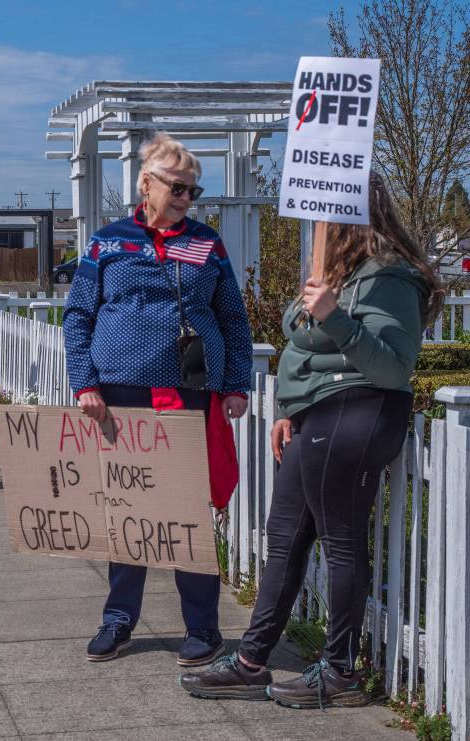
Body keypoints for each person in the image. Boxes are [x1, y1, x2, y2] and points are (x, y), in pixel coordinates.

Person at [180, 171, 443, 708]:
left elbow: (393, 369)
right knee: (285, 535)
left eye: (325, 212)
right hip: (319, 415)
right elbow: (299, 348)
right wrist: (288, 407)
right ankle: (253, 660)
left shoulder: (388, 276)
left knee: (341, 540)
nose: (315, 222)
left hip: (360, 409)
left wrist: (334, 316)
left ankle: (341, 672)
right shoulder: (336, 272)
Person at [63, 132, 253, 666]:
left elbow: (233, 319)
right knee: (128, 506)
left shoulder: (207, 244)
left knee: (188, 511)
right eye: (178, 187)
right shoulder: (107, 242)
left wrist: (237, 383)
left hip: (190, 393)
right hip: (120, 393)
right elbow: (78, 315)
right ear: (146, 183)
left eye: (194, 191)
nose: (187, 198)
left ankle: (203, 627)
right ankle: (119, 618)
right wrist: (85, 382)